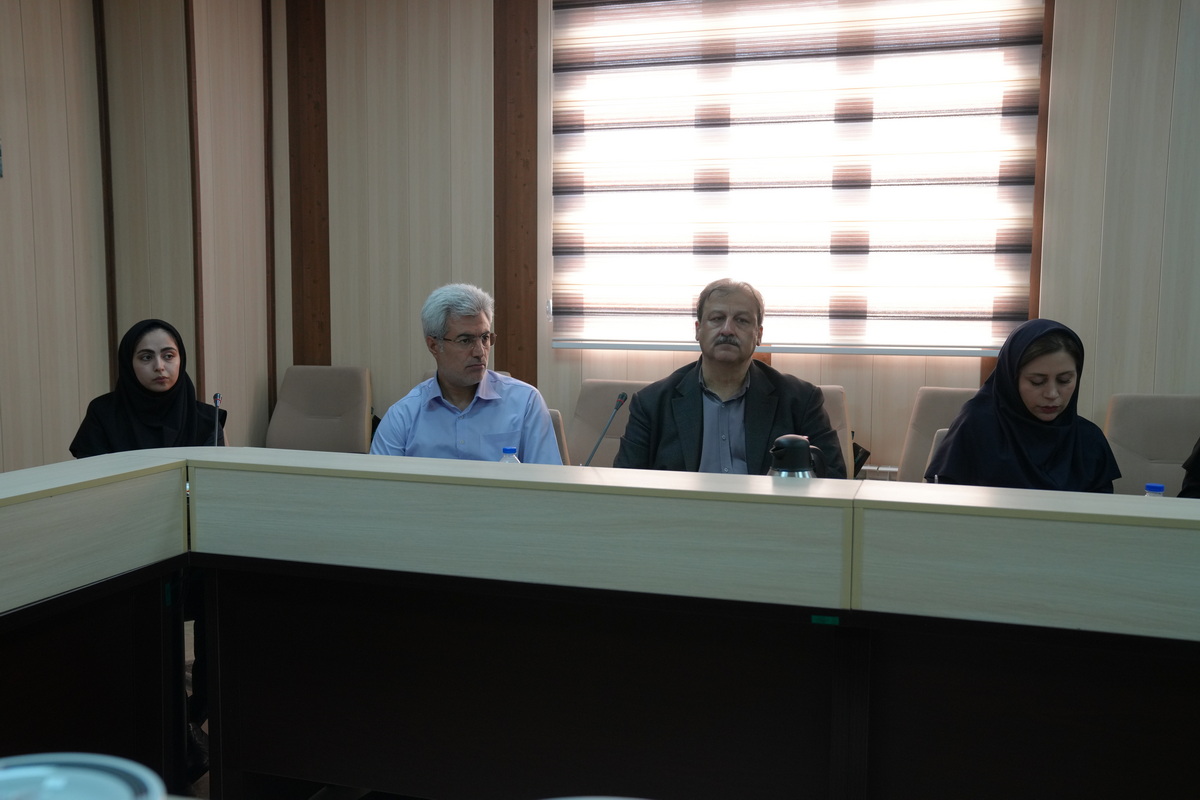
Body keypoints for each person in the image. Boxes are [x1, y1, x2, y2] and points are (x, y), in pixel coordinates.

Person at [614, 278, 846, 477]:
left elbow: (834, 480)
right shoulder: (651, 403)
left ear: (759, 334)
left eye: (742, 320)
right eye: (717, 318)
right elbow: (625, 483)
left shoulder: (801, 400)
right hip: (681, 514)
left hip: (768, 514)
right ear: (698, 330)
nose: (727, 329)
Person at [370, 283, 562, 464]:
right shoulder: (403, 416)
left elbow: (548, 482)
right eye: (465, 340)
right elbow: (378, 485)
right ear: (434, 345)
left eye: (485, 338)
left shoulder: (525, 403)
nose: (480, 352)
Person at [925, 318, 1120, 492]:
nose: (1052, 394)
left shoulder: (1089, 440)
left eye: (1064, 380)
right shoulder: (977, 426)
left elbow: (1104, 515)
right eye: (1037, 382)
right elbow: (943, 505)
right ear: (1012, 379)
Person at [70, 318, 226, 457]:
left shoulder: (207, 420)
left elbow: (218, 476)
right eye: (146, 357)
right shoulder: (103, 414)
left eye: (168, 356)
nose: (159, 366)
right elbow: (91, 476)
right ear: (129, 364)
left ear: (181, 359)